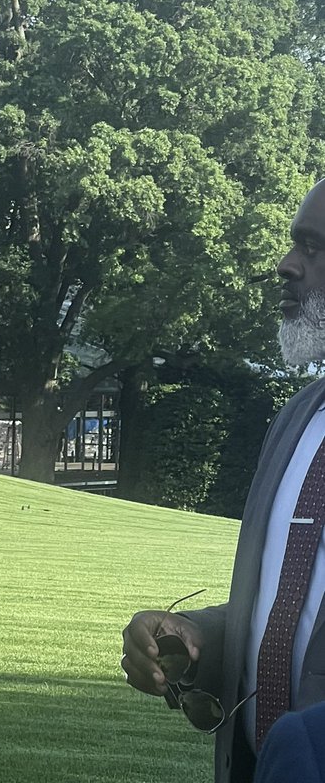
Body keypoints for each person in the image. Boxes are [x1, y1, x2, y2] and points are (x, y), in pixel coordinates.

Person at [122, 179, 325, 782]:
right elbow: (290, 611)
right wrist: (199, 638)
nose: (287, 267)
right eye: (295, 245)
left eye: (314, 249)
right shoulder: (296, 420)